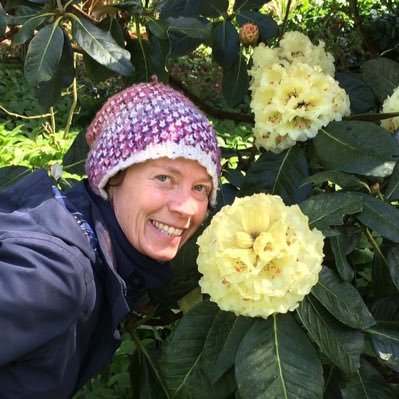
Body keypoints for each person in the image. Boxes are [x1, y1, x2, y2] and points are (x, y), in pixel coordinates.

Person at [0, 77, 221, 398]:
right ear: (111, 177)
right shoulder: (56, 277)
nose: (187, 207)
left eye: (200, 188)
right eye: (164, 178)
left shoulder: (99, 256)